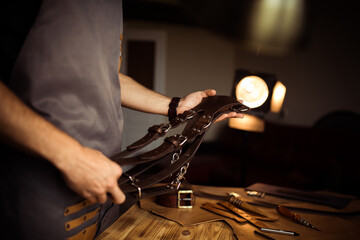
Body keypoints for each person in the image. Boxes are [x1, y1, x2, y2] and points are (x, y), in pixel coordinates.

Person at [0, 0, 243, 239]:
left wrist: (176, 106)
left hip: (104, 188)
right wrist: (70, 156)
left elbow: (108, 77)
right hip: (39, 189)